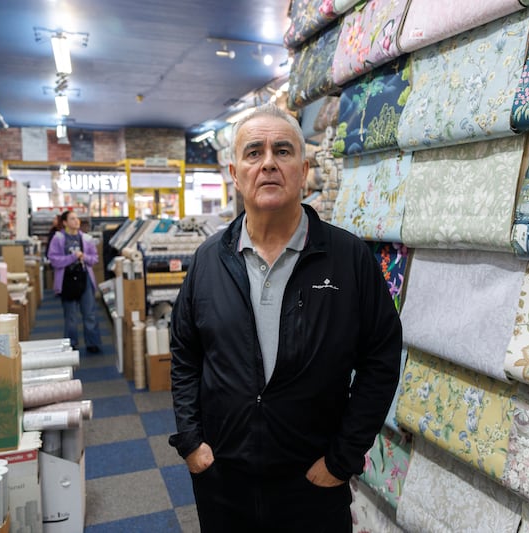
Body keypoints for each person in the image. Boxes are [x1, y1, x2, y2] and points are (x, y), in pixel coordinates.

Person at [169, 104, 402, 532]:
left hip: (312, 484)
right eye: (254, 152)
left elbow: (381, 361)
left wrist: (342, 458)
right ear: (234, 173)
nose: (269, 163)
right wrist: (191, 441)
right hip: (223, 480)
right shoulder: (208, 260)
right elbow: (186, 353)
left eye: (283, 150)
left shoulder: (348, 258)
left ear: (303, 169)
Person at [47, 210, 102, 353]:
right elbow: (54, 260)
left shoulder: (87, 239)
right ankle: (71, 344)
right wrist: (72, 258)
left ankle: (93, 344)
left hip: (84, 279)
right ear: (64, 222)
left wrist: (84, 257)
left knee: (89, 314)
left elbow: (95, 259)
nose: (76, 221)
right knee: (70, 316)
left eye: (77, 218)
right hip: (67, 281)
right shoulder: (58, 239)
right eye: (72, 219)